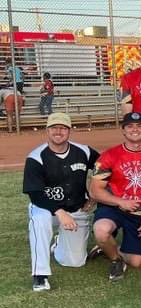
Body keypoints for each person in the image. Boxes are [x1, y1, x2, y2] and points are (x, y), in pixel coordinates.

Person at [24, 113, 99, 291]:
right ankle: (40, 275)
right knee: (40, 221)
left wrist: (94, 195)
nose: (58, 131)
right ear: (47, 130)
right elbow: (35, 194)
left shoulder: (84, 151)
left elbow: (105, 169)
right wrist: (60, 212)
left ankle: (58, 244)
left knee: (75, 262)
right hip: (46, 209)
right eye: (54, 128)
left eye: (63, 128)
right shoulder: (36, 157)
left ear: (69, 130)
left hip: (76, 209)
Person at [89, 112, 141, 282]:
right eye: (130, 126)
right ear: (123, 130)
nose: (135, 130)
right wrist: (120, 201)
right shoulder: (109, 156)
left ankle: (109, 249)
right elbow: (95, 190)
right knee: (101, 231)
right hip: (113, 208)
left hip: (140, 213)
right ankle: (116, 260)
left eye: (139, 126)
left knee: (138, 262)